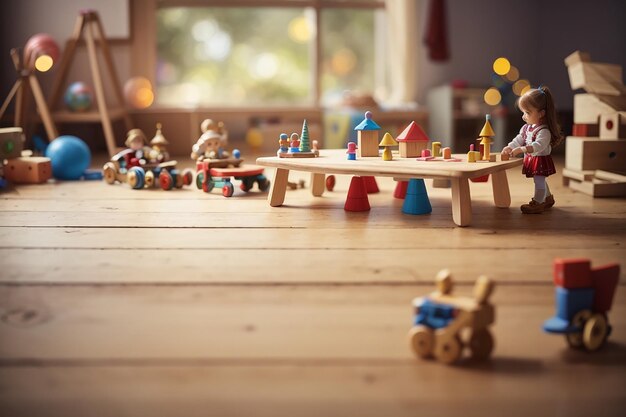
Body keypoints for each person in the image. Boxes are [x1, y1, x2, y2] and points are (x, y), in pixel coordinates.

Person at [501, 86, 563, 214]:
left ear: (541, 113)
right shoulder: (526, 128)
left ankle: (538, 202)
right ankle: (547, 198)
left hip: (540, 159)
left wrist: (521, 149)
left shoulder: (544, 131)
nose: (524, 116)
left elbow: (538, 146)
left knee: (539, 180)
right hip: (533, 159)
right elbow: (519, 139)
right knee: (540, 179)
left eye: (527, 113)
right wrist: (510, 146)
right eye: (523, 112)